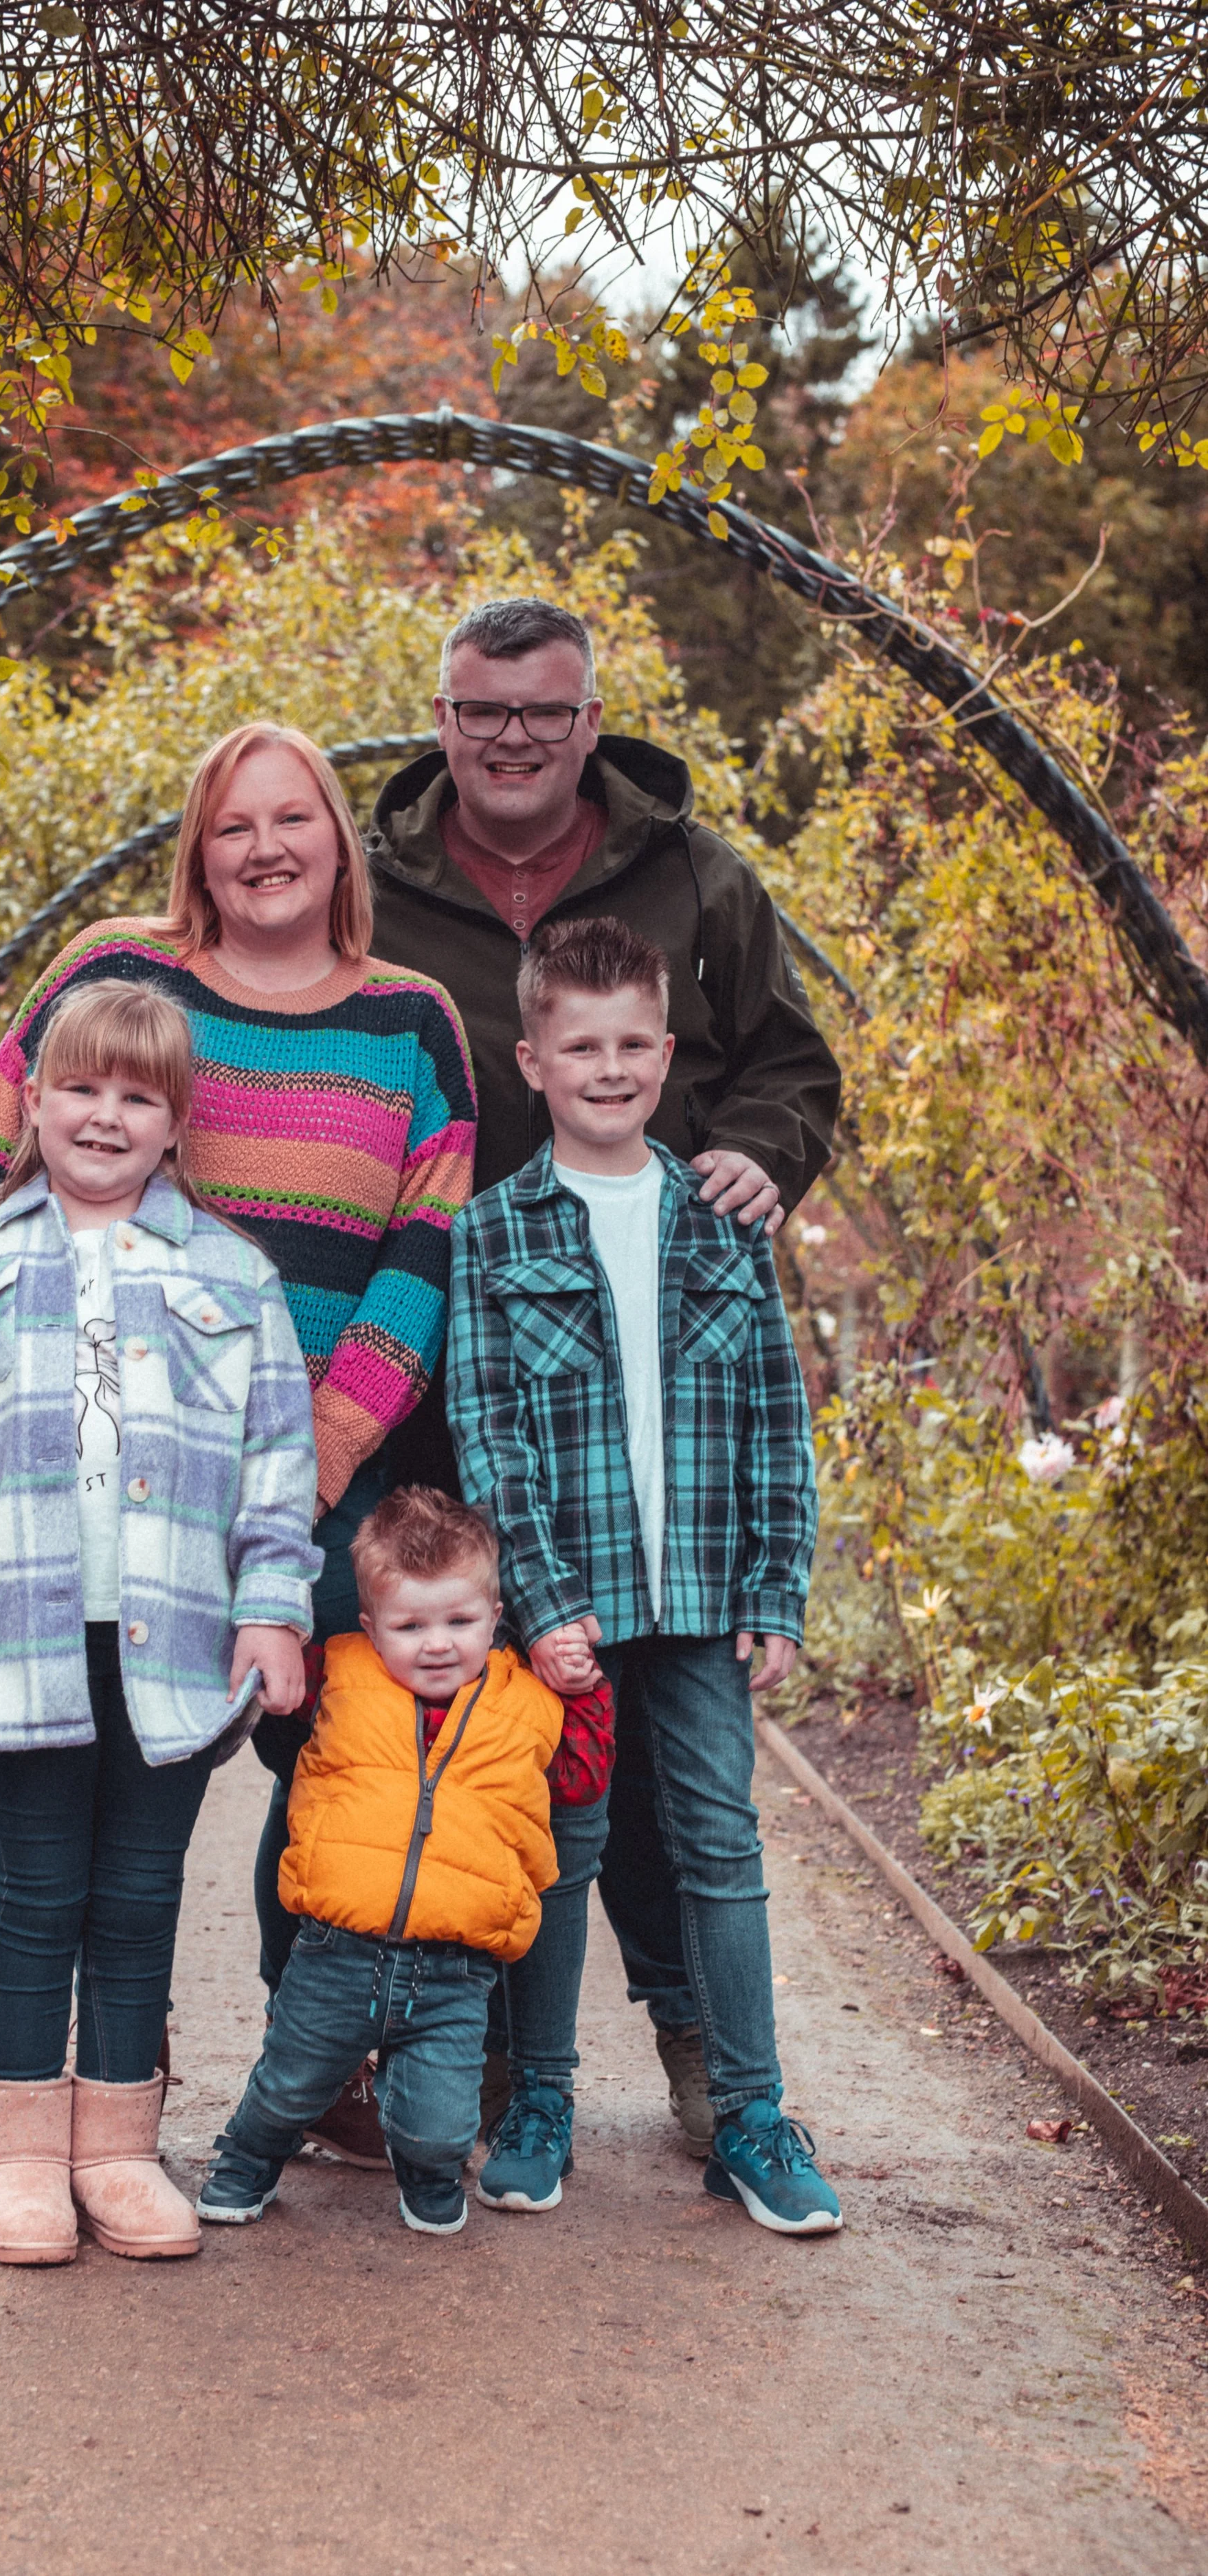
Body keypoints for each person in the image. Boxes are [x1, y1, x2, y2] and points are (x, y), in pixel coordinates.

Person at [0, 722, 478, 2162]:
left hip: (296, 1461)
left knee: (327, 1739)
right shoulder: (112, 971)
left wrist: (327, 1451)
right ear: (196, 849)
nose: (264, 848)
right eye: (231, 825)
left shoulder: (409, 1019)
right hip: (91, 1454)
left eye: (293, 820)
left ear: (340, 839)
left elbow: (420, 1248)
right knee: (107, 1808)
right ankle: (66, 2126)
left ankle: (314, 2051)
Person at [370, 594, 842, 2160]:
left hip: (637, 1365)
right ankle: (413, 2048)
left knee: (639, 1755)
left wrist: (757, 1158)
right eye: (482, 710)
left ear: (590, 719)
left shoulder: (692, 879)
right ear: (441, 716)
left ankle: (700, 2049)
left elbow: (789, 1064)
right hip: (432, 1367)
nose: (513, 738)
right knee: (425, 1718)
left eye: (545, 713)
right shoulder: (378, 890)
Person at [0, 979, 323, 2267]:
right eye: (82, 1089)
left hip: (173, 1643)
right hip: (18, 1640)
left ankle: (116, 2148)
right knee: (37, 1888)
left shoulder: (234, 1276)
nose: (105, 1116)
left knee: (136, 1893)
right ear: (39, 1102)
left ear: (175, 1123)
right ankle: (16, 2158)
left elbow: (281, 1463)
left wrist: (275, 1609)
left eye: (137, 1097)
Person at [447, 918, 842, 2234]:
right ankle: (541, 2100)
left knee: (721, 1849)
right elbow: (491, 1434)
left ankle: (752, 2115)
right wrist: (546, 1603)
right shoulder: (496, 1232)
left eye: (632, 1044)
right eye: (581, 1046)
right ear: (534, 1059)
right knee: (563, 1848)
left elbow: (776, 1414)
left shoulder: (723, 1216)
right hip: (577, 1605)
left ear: (668, 1056)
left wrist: (776, 1588)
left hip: (706, 1606)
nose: (608, 1068)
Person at [197, 1487, 614, 2236]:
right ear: (369, 1626)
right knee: (288, 2082)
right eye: (409, 1624)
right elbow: (279, 1713)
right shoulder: (341, 1676)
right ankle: (246, 2159)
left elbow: (582, 1777)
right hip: (334, 1951)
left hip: (456, 1970)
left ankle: (424, 2168)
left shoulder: (527, 1701)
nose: (436, 1643)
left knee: (441, 2120)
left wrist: (585, 1693)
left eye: (458, 1621)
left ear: (494, 1618)